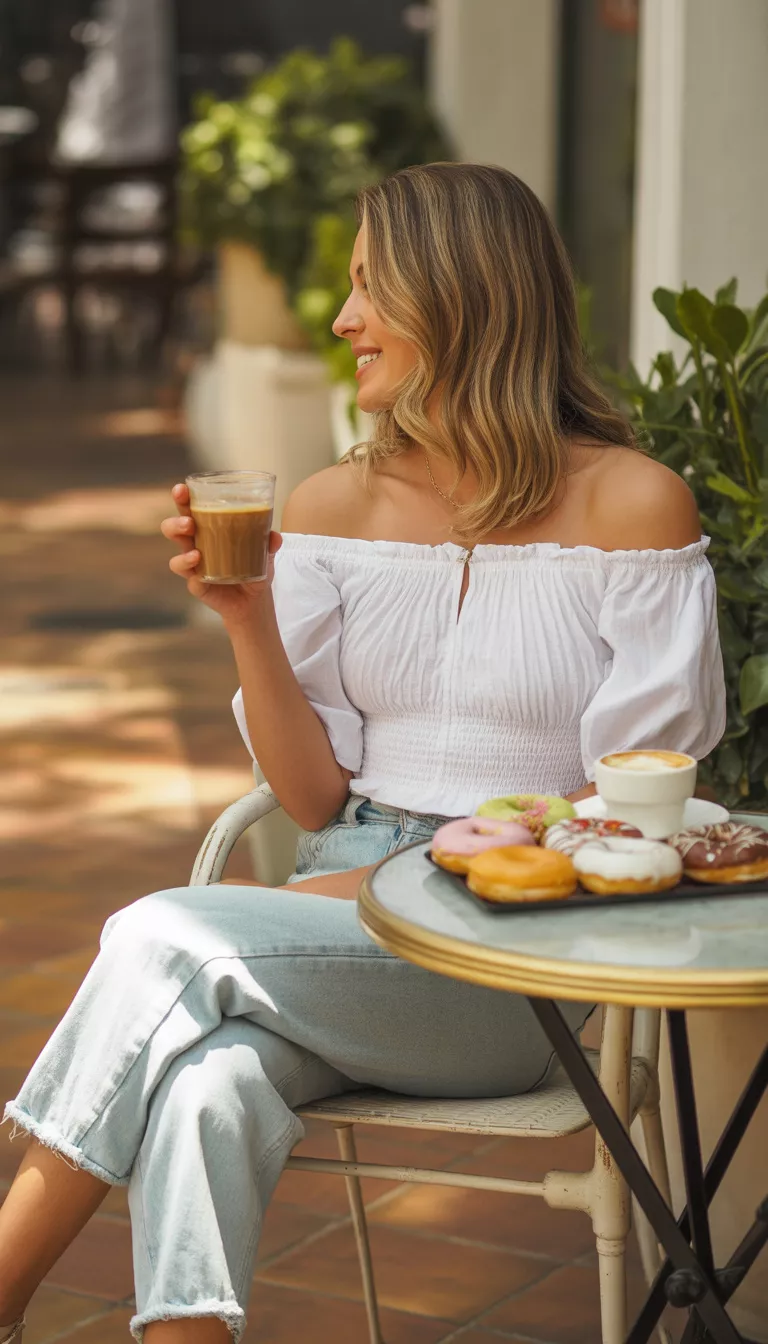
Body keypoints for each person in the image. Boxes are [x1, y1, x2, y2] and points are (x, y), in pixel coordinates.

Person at [0, 164, 725, 1343]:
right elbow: (310, 795)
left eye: (367, 289)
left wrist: (412, 880)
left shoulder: (633, 510)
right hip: (335, 914)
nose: (342, 323)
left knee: (159, 934)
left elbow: (636, 805)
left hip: (508, 955)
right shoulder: (335, 506)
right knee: (205, 1086)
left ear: (464, 298)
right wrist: (246, 616)